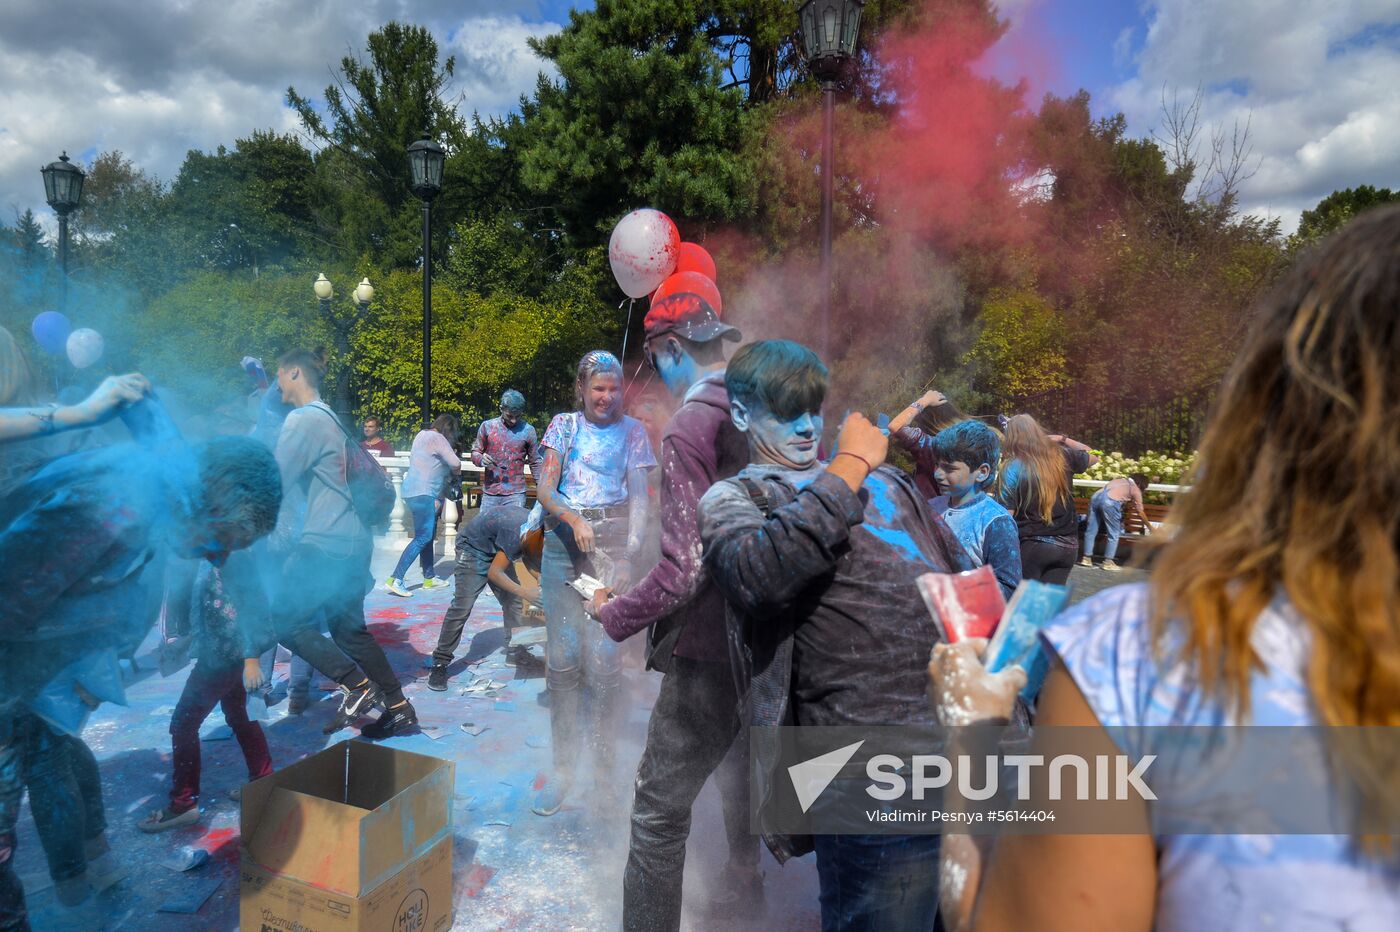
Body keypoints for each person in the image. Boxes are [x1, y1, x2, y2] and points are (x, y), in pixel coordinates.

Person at [929, 205, 1400, 932]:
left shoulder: (1146, 650)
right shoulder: (1062, 461)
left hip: (1034, 573)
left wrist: (970, 743)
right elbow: (1081, 462)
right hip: (1058, 562)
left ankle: (1017, 709)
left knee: (1028, 665)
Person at [698, 340, 972, 932]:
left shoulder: (893, 485)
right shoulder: (736, 499)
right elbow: (757, 577)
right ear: (743, 415)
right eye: (785, 411)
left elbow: (962, 583)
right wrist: (847, 467)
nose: (805, 426)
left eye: (812, 409)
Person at [0, 431, 282, 929]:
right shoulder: (111, 508)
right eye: (226, 540)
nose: (217, 558)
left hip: (29, 685)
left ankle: (78, 877)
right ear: (211, 497)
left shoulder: (144, 512)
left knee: (56, 756)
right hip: (13, 688)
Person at [577, 295, 760, 930]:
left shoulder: (691, 424)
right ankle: (747, 879)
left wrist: (616, 611)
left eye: (657, 360)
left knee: (657, 809)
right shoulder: (760, 409)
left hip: (709, 642)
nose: (656, 373)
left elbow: (687, 568)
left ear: (674, 349)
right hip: (762, 639)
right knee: (737, 765)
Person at [267, 348, 417, 738]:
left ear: (294, 372)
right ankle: (399, 708)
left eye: (279, 376)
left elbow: (273, 482)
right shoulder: (332, 417)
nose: (276, 384)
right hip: (354, 542)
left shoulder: (303, 420)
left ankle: (356, 685)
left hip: (325, 541)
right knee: (350, 632)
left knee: (282, 618)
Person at [531, 350, 656, 816]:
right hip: (564, 548)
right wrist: (572, 516)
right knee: (563, 663)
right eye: (598, 388)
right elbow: (546, 488)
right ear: (581, 388)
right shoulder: (563, 426)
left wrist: (630, 552)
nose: (606, 397)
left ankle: (605, 776)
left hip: (611, 547)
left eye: (613, 388)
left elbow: (641, 498)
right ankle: (564, 771)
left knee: (606, 665)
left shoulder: (634, 432)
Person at [138, 548, 274, 831]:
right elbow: (210, 603)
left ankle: (183, 804)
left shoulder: (232, 551)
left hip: (225, 656)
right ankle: (264, 783)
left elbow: (252, 605)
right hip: (220, 650)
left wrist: (251, 659)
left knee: (183, 724)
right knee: (240, 716)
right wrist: (188, 640)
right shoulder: (207, 549)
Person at [427, 503, 541, 689]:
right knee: (462, 607)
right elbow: (495, 573)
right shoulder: (519, 531)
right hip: (472, 549)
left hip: (498, 547)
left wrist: (540, 578)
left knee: (513, 603)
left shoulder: (539, 527)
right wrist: (525, 592)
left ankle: (515, 651)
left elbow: (526, 554)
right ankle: (440, 663)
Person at [997, 415, 1097, 585]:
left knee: (1023, 604)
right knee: (1048, 606)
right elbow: (1093, 454)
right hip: (1068, 545)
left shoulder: (1011, 467)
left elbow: (1006, 515)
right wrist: (1061, 439)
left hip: (1032, 544)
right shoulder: (1062, 456)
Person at [930, 420, 1022, 599]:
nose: (937, 474)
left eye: (949, 468)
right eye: (937, 465)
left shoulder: (995, 521)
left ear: (982, 472)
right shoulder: (931, 506)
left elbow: (1008, 588)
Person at [386, 414, 462, 596]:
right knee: (423, 536)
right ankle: (396, 578)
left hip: (412, 491)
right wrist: (455, 472)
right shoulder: (438, 438)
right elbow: (455, 463)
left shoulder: (421, 435)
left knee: (426, 535)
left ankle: (429, 577)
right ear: (448, 429)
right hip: (425, 493)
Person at [886, 388, 973, 497]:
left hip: (932, 511)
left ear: (928, 420)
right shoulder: (968, 443)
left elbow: (896, 426)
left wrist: (924, 401)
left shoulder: (932, 446)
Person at [472, 390, 541, 511]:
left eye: (518, 416)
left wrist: (541, 486)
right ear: (501, 409)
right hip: (490, 492)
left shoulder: (528, 431)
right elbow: (476, 452)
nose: (514, 420)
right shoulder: (487, 427)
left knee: (512, 528)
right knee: (486, 528)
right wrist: (480, 458)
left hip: (516, 493)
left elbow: (535, 461)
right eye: (509, 416)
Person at [1079, 473, 1152, 571]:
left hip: (1095, 497)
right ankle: (1108, 562)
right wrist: (1151, 528)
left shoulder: (1118, 480)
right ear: (1140, 484)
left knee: (1091, 531)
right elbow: (1140, 512)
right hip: (1110, 502)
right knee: (1113, 534)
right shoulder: (1135, 489)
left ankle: (1086, 558)